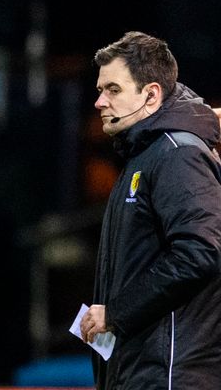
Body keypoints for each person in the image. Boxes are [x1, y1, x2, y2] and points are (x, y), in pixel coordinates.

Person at [79, 31, 221, 389]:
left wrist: (116, 313)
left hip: (172, 373)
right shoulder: (146, 153)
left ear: (151, 95)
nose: (100, 101)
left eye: (113, 90)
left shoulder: (177, 153)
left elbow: (200, 252)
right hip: (144, 369)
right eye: (100, 90)